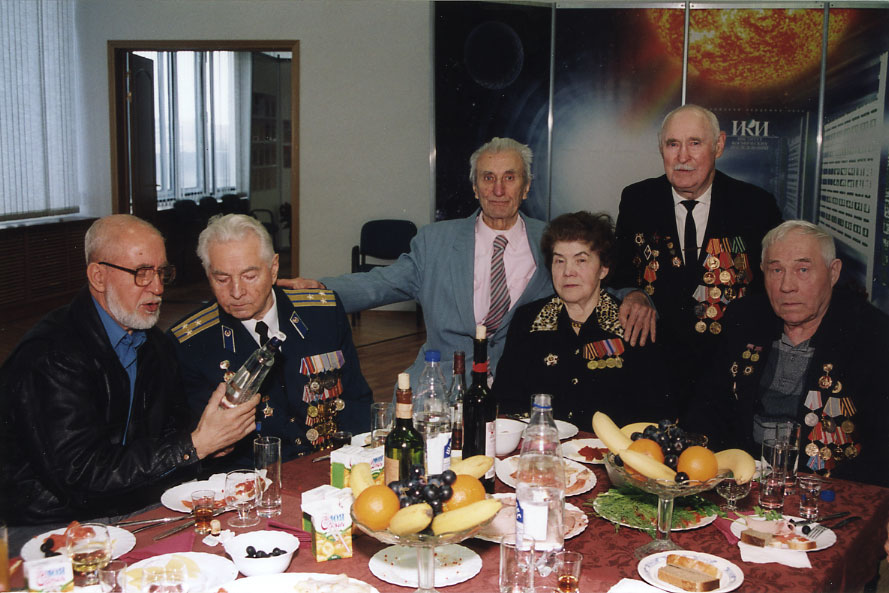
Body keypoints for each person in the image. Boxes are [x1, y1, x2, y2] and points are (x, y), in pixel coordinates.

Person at [282, 137, 655, 388]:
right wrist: (319, 291)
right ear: (475, 187)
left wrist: (636, 295)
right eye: (488, 178)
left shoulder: (550, 240)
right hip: (440, 388)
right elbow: (377, 284)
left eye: (510, 178)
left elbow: (593, 281)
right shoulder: (435, 242)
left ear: (526, 187)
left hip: (519, 390)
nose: (498, 189)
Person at [0, 215, 258, 549]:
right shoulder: (51, 355)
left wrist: (214, 442)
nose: (158, 288)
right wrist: (194, 446)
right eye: (142, 273)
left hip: (130, 503)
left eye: (162, 272)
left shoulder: (155, 345)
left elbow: (170, 437)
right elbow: (79, 474)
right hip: (52, 520)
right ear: (98, 276)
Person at [687, 220, 889, 487]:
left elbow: (881, 451)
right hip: (742, 484)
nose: (786, 286)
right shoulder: (744, 317)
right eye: (776, 270)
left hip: (828, 493)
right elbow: (707, 408)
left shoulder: (872, 334)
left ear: (833, 272)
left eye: (803, 269)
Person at [613, 104, 783, 409]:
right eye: (672, 144)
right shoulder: (638, 200)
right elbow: (619, 273)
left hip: (728, 374)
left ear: (718, 145)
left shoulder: (755, 205)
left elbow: (769, 289)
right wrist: (633, 293)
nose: (683, 157)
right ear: (661, 148)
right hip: (656, 372)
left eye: (695, 143)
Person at [169, 214, 372, 464]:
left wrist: (356, 463)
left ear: (273, 268)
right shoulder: (191, 342)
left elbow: (356, 402)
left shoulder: (323, 314)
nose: (236, 292)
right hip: (248, 477)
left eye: (249, 276)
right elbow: (200, 442)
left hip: (329, 464)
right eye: (222, 279)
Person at [493, 212, 672, 429]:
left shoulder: (632, 322)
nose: (568, 272)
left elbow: (654, 414)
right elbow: (506, 403)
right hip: (541, 446)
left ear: (603, 268)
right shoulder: (527, 320)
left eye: (581, 260)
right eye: (559, 261)